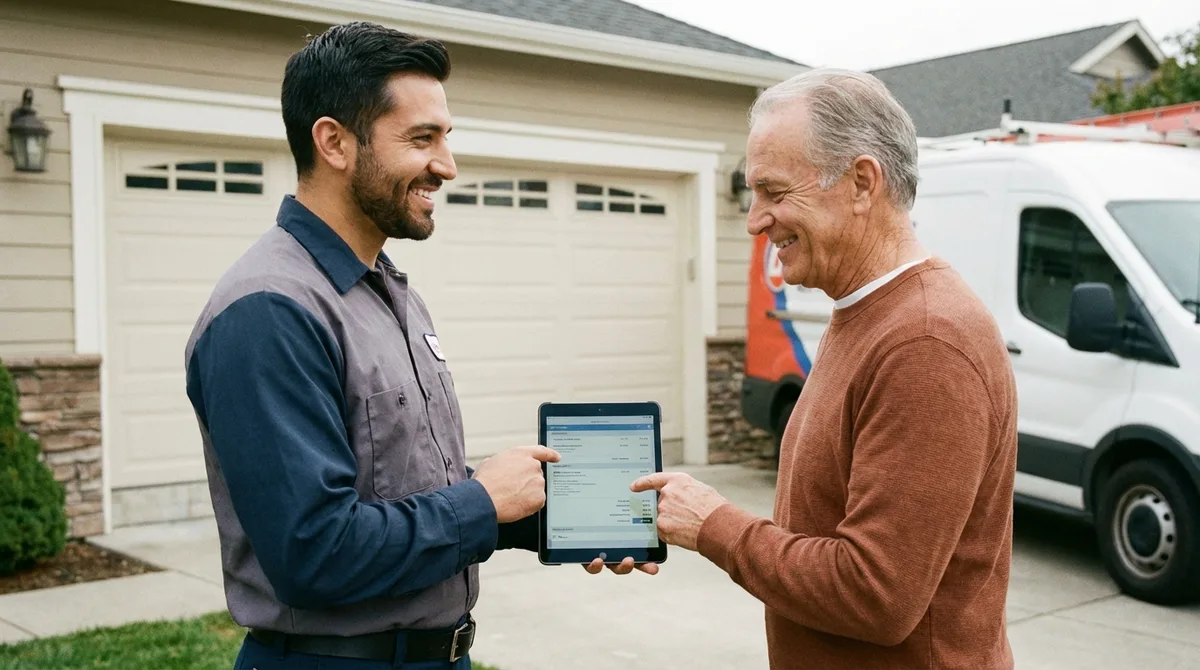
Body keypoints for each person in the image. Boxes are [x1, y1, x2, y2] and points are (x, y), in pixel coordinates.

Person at [184, 22, 649, 670]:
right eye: (422, 139)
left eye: (446, 138)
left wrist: (563, 515)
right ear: (334, 142)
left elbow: (404, 493)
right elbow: (314, 552)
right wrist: (482, 501)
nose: (448, 165)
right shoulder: (269, 310)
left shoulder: (387, 291)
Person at [632, 68, 1018, 669]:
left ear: (862, 183)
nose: (755, 219)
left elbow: (875, 594)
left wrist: (714, 525)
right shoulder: (869, 312)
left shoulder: (926, 339)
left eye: (774, 191)